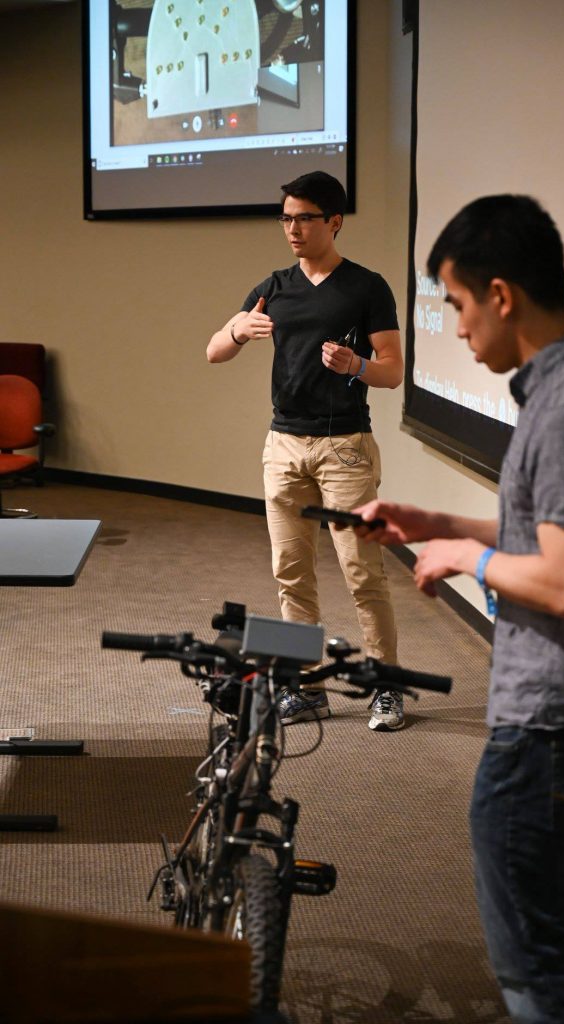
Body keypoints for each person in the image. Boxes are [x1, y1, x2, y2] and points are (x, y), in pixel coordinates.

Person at [356, 195, 564, 1022]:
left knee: (540, 965)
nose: (452, 329)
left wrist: (467, 558)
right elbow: (559, 535)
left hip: (548, 734)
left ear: (498, 295)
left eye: (453, 304)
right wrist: (438, 524)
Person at [207, 171, 405, 730]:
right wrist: (240, 330)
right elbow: (214, 350)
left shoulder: (367, 288)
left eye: (304, 218)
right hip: (284, 445)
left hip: (345, 448)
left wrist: (357, 365)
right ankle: (303, 685)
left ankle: (384, 687)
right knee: (291, 571)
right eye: (286, 218)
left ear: (334, 221)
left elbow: (392, 372)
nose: (292, 229)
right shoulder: (274, 286)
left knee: (362, 572)